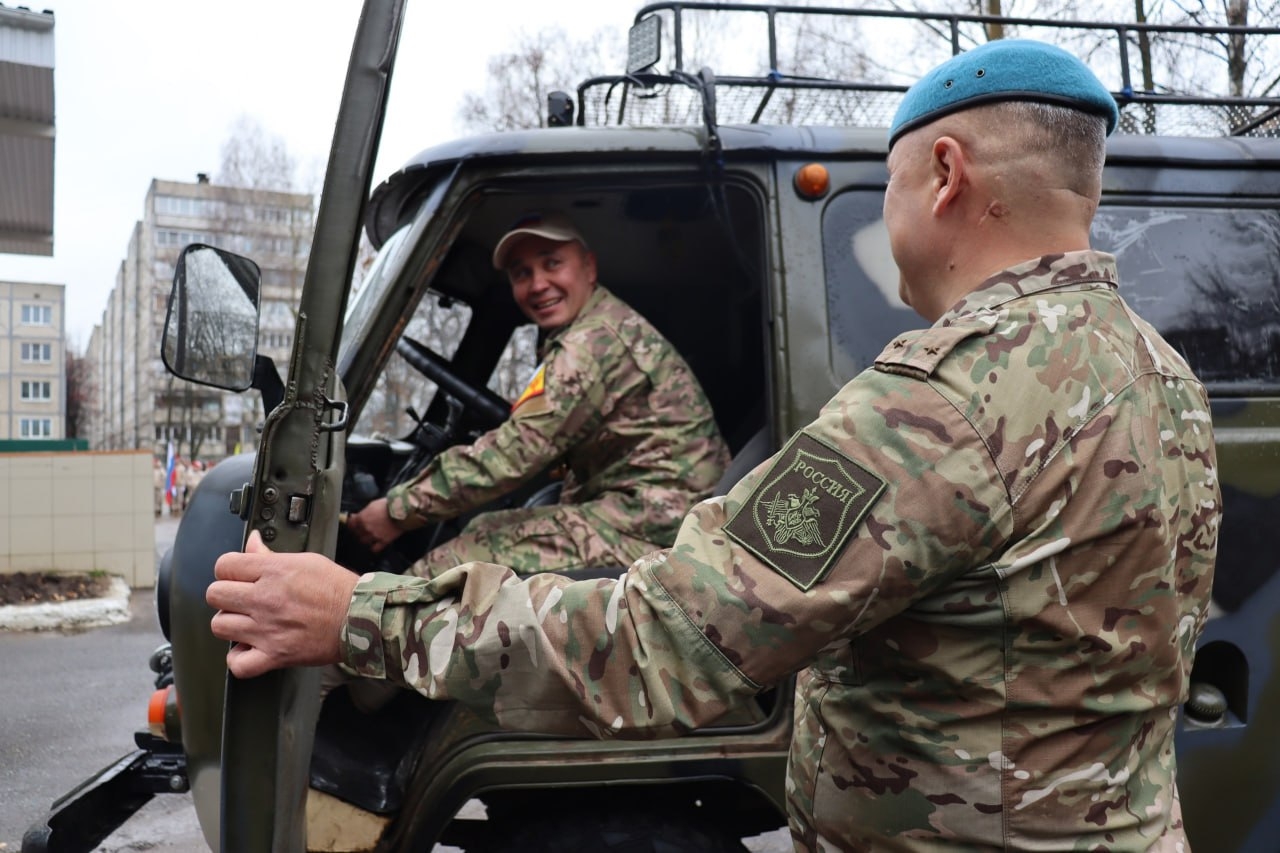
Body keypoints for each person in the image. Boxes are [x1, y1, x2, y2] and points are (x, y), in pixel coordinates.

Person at [208, 40, 1220, 851]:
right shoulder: (1164, 380)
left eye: (893, 185)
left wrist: (361, 614)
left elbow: (672, 640)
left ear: (945, 176)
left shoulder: (942, 403)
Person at [345, 210, 729, 576]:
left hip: (667, 530)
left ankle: (372, 639)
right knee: (486, 526)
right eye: (521, 273)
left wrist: (396, 510)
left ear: (589, 267)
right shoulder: (596, 327)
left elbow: (514, 452)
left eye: (552, 263)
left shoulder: (591, 344)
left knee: (453, 567)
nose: (538, 283)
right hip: (662, 513)